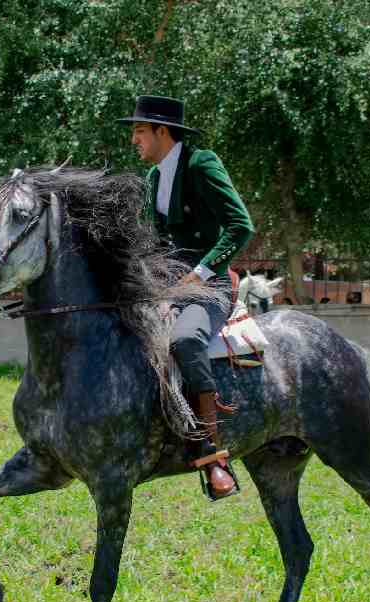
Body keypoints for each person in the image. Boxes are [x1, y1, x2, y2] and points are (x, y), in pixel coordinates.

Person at [117, 95, 254, 499]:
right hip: (167, 287)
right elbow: (155, 244)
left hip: (208, 286)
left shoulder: (202, 164)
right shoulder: (154, 179)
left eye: (139, 131)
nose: (134, 140)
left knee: (184, 340)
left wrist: (199, 272)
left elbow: (240, 226)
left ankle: (213, 457)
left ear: (162, 131)